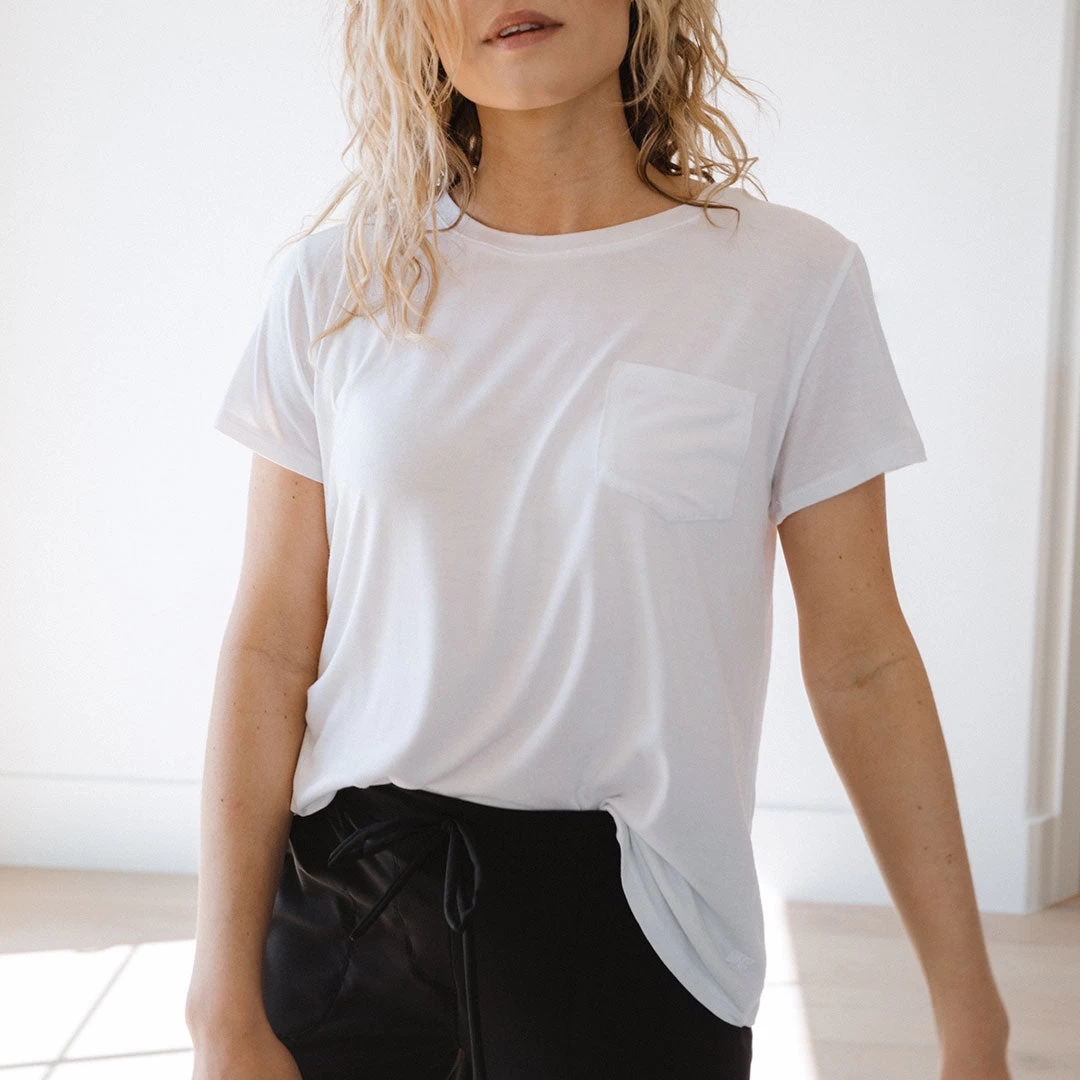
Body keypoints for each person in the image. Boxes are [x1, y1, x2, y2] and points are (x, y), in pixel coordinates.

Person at [186, 2, 1014, 1079]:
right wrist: (219, 1005)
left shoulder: (791, 283)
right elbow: (270, 650)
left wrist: (972, 1023)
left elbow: (863, 662)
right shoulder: (336, 283)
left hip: (646, 932)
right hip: (352, 920)